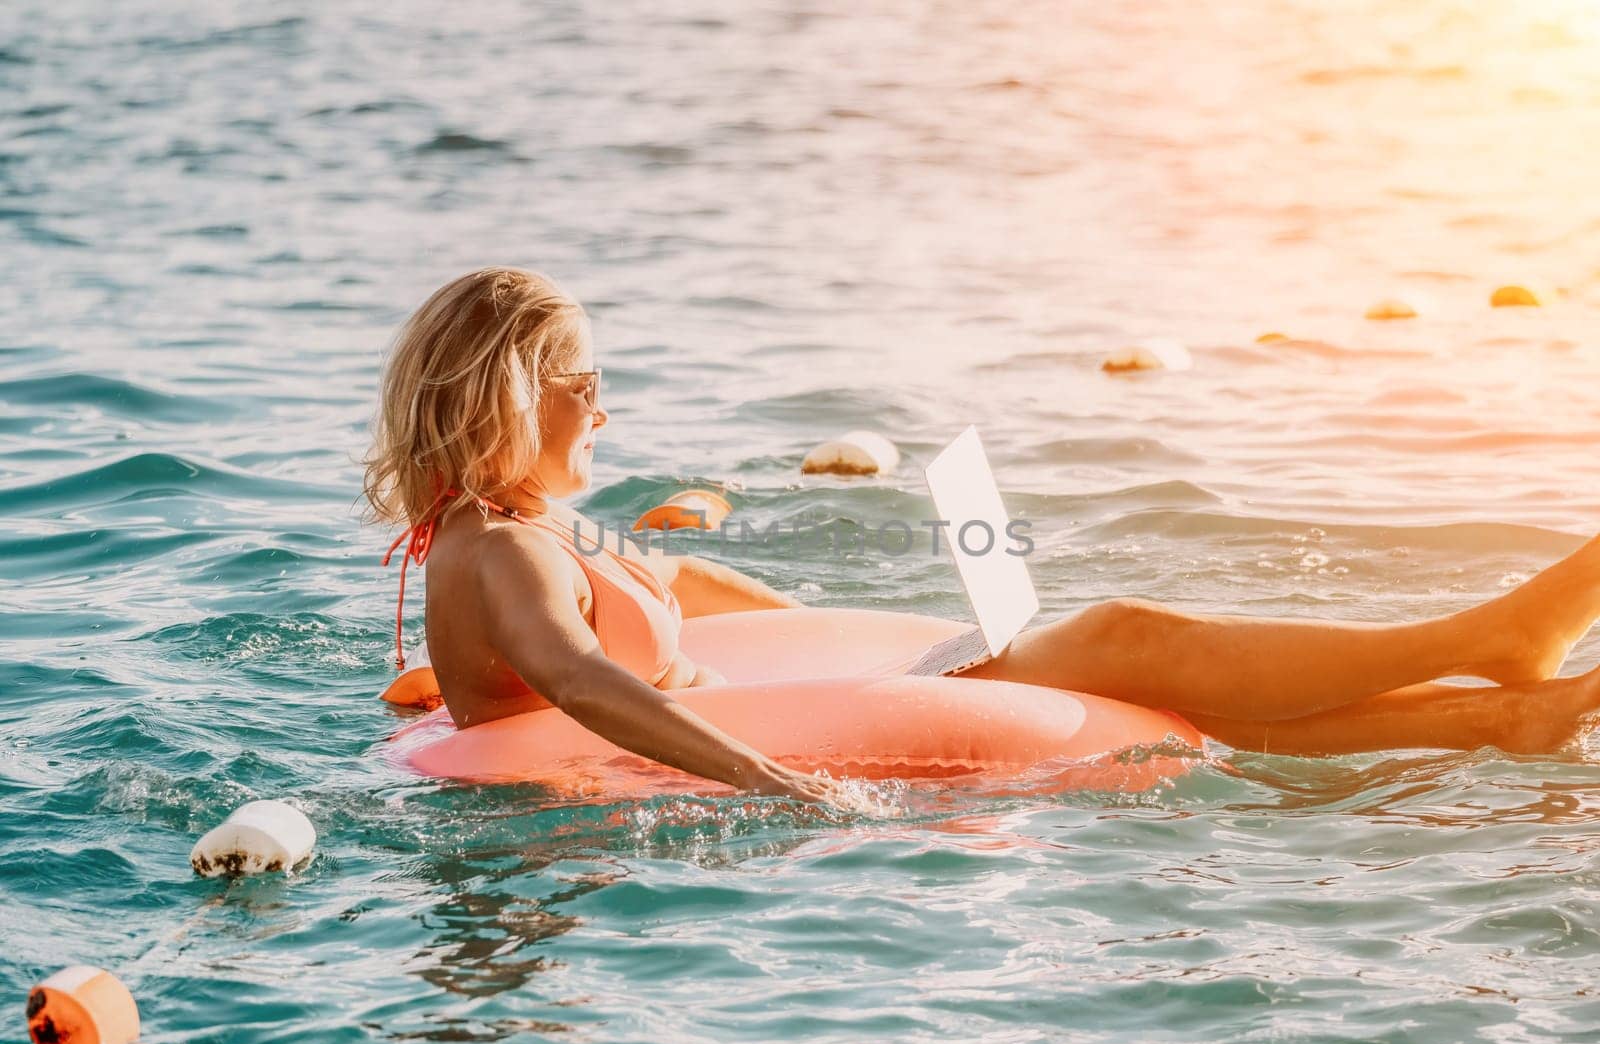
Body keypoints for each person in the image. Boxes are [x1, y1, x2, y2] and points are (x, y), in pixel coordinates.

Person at [363, 267, 1600, 805]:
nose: (606, 402)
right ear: (511, 392)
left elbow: (675, 571)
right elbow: (577, 680)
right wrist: (769, 773)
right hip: (754, 749)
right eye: (583, 381)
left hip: (818, 697)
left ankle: (1499, 712)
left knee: (1144, 673)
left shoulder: (520, 528)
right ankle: (1489, 639)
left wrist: (846, 644)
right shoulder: (508, 551)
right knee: (1129, 635)